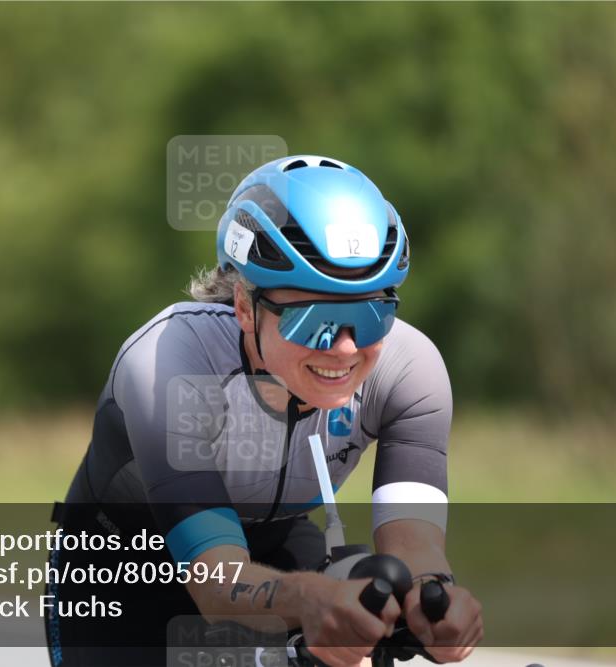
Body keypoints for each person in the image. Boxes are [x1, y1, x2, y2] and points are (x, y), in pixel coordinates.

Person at [45, 155, 483, 666]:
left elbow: (416, 545)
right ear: (244, 306)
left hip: (277, 543)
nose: (344, 349)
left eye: (370, 315)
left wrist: (433, 599)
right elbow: (218, 586)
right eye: (314, 320)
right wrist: (315, 597)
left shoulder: (411, 368)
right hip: (129, 564)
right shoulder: (170, 363)